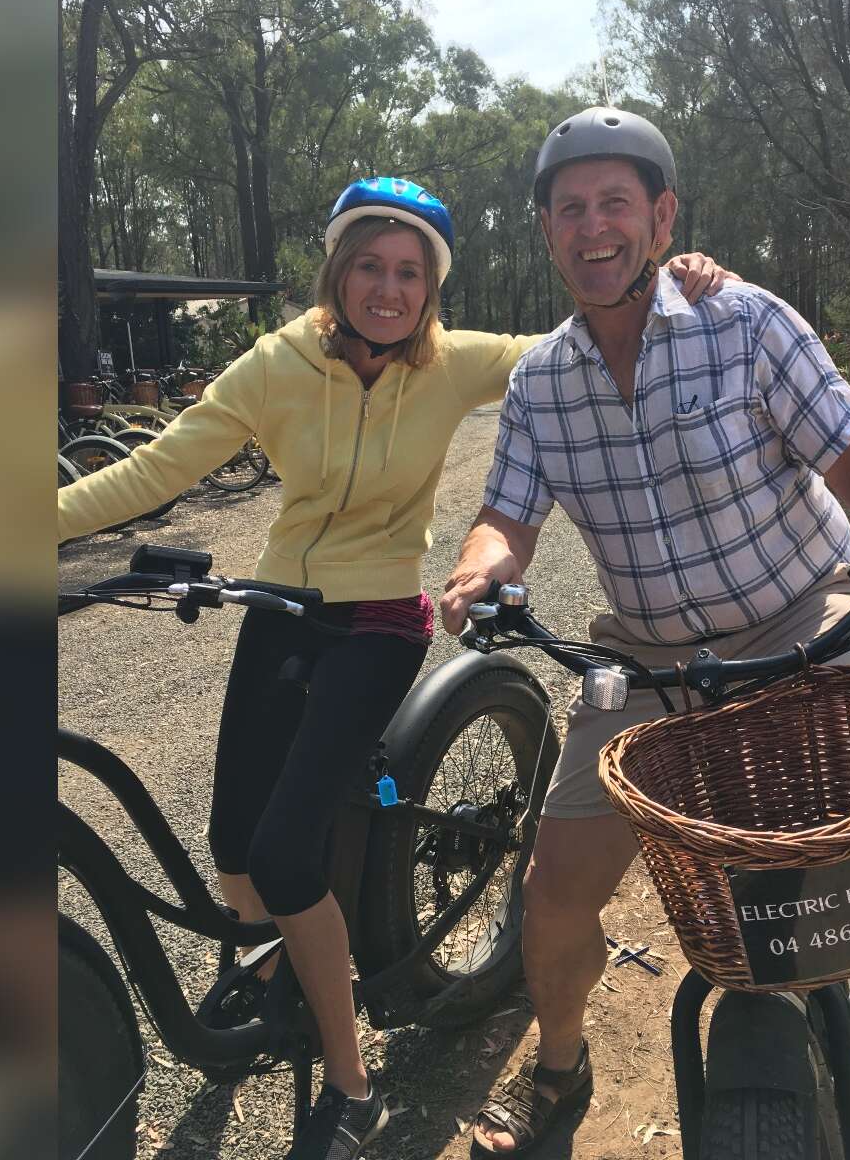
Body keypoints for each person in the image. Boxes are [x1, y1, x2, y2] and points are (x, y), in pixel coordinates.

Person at [57, 176, 732, 1160]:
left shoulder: (453, 364)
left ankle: (352, 1085)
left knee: (285, 856)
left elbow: (580, 339)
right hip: (280, 608)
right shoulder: (276, 363)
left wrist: (673, 283)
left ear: (431, 287)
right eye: (370, 266)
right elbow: (155, 468)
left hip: (379, 619)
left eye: (410, 272)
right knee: (233, 845)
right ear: (338, 272)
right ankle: (289, 970)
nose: (388, 288)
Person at [436, 109, 850, 1155]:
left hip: (807, 614)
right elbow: (507, 515)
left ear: (660, 218)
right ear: (547, 232)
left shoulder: (744, 321)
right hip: (646, 658)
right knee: (554, 892)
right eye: (570, 208)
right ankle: (560, 1065)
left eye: (615, 203)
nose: (593, 226)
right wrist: (483, 562)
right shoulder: (539, 383)